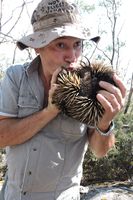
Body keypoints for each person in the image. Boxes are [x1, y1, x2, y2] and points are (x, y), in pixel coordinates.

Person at [0, 0, 126, 199]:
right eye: (60, 45)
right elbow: (2, 136)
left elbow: (100, 151)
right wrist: (50, 111)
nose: (72, 56)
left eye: (77, 44)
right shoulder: (16, 77)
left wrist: (105, 122)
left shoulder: (91, 86)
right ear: (37, 47)